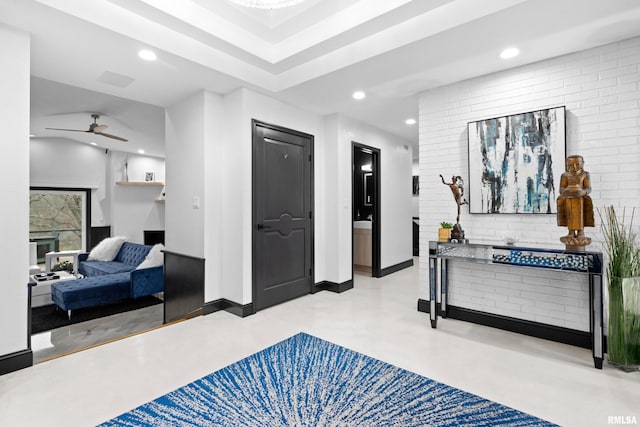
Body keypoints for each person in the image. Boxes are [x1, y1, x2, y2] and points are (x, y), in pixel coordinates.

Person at [557, 155, 594, 243]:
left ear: (583, 163)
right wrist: (566, 192)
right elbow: (561, 188)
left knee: (580, 214)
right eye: (570, 164)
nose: (574, 167)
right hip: (569, 199)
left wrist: (582, 192)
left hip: (580, 199)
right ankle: (571, 232)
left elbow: (588, 188)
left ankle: (581, 231)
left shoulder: (585, 174)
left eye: (577, 164)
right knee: (569, 214)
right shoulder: (565, 175)